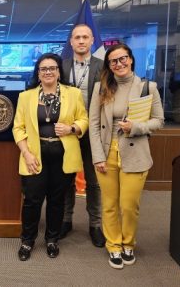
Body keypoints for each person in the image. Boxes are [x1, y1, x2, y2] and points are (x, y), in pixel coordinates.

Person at [89, 43, 164, 269]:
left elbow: (159, 121)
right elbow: (93, 124)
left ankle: (128, 242)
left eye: (123, 59)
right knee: (110, 204)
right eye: (113, 61)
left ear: (131, 59)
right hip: (106, 151)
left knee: (129, 205)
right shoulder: (101, 88)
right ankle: (113, 245)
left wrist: (136, 127)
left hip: (135, 153)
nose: (119, 64)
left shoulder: (147, 87)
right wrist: (97, 156)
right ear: (109, 66)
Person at [12, 53, 88, 261]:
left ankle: (52, 240)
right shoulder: (25, 97)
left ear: (58, 72)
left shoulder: (73, 94)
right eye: (43, 69)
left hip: (62, 156)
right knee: (32, 201)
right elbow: (18, 128)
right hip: (34, 156)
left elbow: (83, 118)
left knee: (57, 200)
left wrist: (72, 128)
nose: (48, 72)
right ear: (38, 73)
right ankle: (27, 241)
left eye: (52, 68)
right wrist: (26, 153)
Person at [59, 23, 105, 248]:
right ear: (71, 42)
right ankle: (66, 220)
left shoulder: (103, 66)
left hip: (93, 131)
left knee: (93, 181)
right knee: (67, 178)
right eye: (77, 37)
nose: (81, 41)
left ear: (91, 40)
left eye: (85, 37)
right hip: (67, 131)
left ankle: (95, 225)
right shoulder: (62, 66)